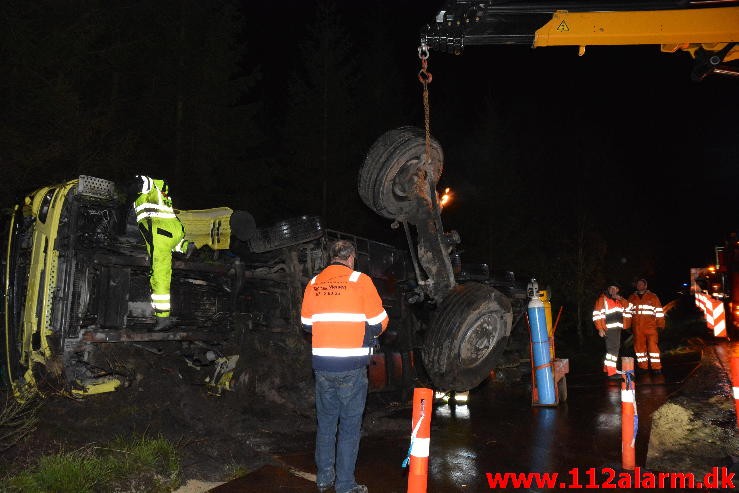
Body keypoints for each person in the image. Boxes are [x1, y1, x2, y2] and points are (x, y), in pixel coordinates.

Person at [300, 240, 388, 493]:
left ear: (332, 257)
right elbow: (381, 322)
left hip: (323, 367)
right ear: (351, 258)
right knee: (349, 428)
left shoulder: (314, 283)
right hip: (351, 366)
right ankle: (345, 485)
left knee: (326, 424)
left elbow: (306, 324)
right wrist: (366, 330)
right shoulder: (360, 281)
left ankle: (324, 478)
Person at [130, 175, 194, 331]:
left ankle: (163, 319)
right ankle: (185, 246)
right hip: (174, 231)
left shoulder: (148, 187)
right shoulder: (161, 194)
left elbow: (143, 180)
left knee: (159, 276)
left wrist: (134, 184)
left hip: (160, 233)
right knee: (170, 244)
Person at [592, 281, 632, 379]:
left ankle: (607, 368)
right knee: (613, 350)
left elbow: (630, 307)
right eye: (612, 288)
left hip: (617, 328)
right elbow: (597, 314)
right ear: (608, 289)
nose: (614, 290)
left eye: (616, 289)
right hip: (609, 329)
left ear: (618, 290)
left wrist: (621, 299)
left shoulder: (618, 301)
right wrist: (600, 329)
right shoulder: (603, 299)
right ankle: (611, 372)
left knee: (613, 349)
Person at [627, 278, 665, 375]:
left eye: (641, 284)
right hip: (637, 328)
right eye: (638, 284)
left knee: (653, 347)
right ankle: (643, 367)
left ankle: (656, 368)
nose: (639, 285)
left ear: (645, 286)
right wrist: (627, 326)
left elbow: (659, 311)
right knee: (639, 348)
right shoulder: (632, 298)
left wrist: (660, 325)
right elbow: (627, 313)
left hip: (651, 326)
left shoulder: (653, 297)